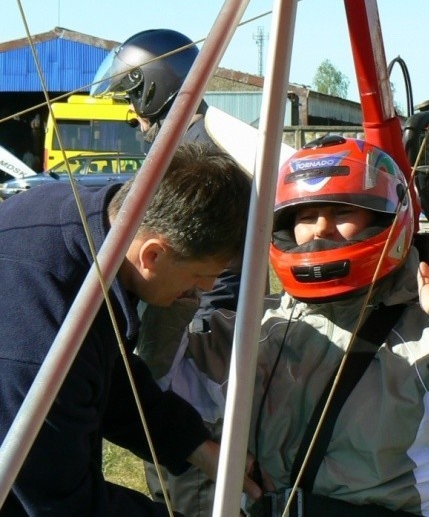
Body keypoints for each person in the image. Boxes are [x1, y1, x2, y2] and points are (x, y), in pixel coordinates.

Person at [140, 135, 429, 516]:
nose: (320, 228)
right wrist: (175, 287)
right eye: (305, 215)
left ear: (384, 219)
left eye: (341, 212)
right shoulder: (259, 328)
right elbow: (154, 387)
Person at [0, 143, 261, 515]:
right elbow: (60, 503)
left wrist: (196, 447)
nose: (204, 290)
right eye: (202, 276)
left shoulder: (84, 223)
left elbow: (104, 373)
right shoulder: (42, 336)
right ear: (153, 255)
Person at [91, 29, 254, 514]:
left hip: (191, 321)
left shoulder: (194, 152)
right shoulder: (189, 141)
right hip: (189, 314)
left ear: (154, 88)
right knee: (163, 442)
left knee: (185, 465)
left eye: (132, 96)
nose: (132, 114)